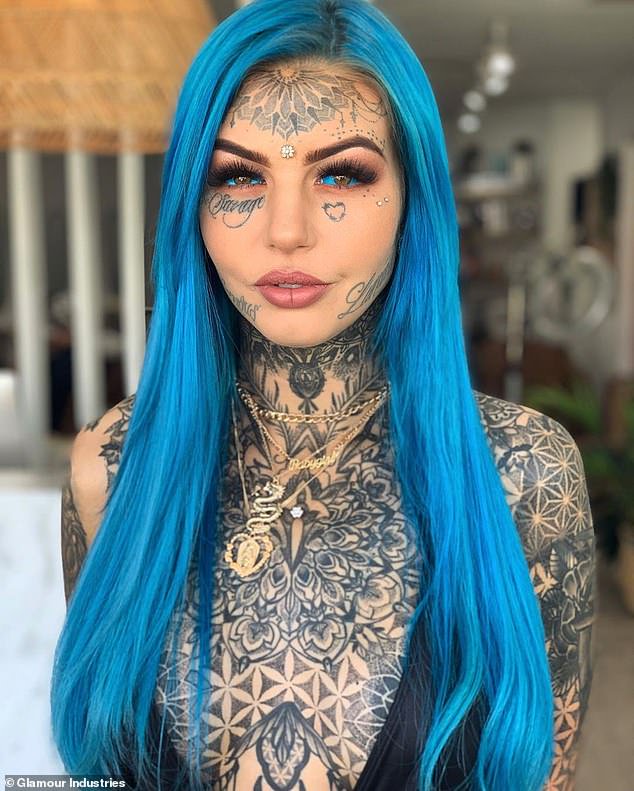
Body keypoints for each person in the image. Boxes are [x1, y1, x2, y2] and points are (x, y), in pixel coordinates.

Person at [51, 1, 595, 789]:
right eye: (238, 175)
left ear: (412, 198)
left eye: (341, 173)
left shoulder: (524, 474)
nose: (286, 230)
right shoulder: (110, 469)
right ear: (192, 205)